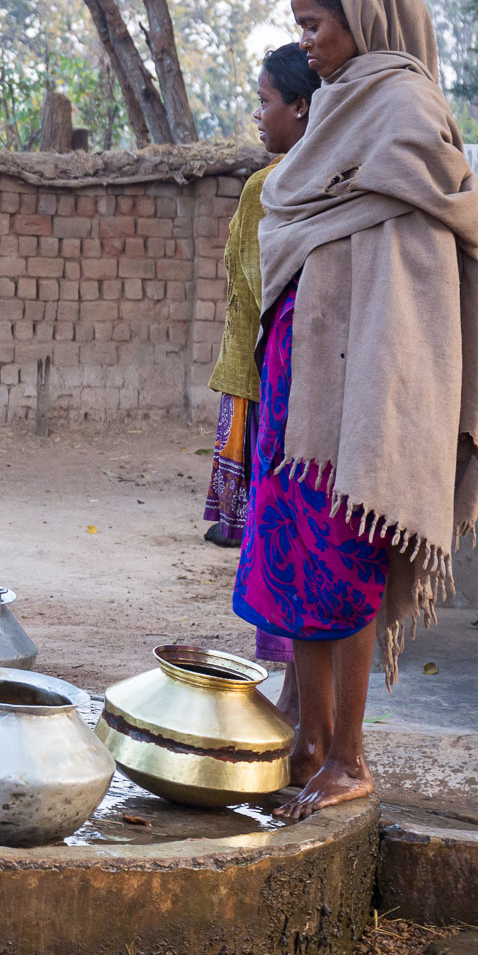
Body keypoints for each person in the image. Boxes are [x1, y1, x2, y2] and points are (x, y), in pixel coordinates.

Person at [240, 0, 478, 820]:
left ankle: (350, 755)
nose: (304, 43)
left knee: (345, 561)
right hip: (302, 378)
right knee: (294, 553)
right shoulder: (343, 100)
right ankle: (307, 735)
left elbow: (417, 263)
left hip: (364, 380)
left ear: (366, 16)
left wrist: (388, 381)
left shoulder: (405, 105)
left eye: (315, 24)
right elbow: (306, 218)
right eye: (300, 26)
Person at [205, 44, 321, 716]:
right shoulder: (331, 181)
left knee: (282, 540)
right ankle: (297, 702)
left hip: (265, 386)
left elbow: (250, 293)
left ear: (302, 106)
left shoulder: (270, 188)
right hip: (274, 382)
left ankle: (295, 706)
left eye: (266, 101)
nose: (257, 114)